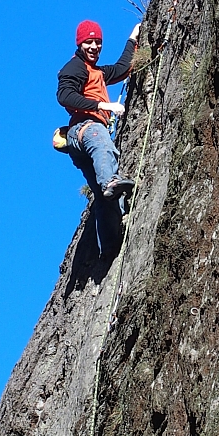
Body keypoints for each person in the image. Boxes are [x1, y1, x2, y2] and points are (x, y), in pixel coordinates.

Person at [57, 18, 141, 260]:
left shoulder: (98, 73)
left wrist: (132, 39)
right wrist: (102, 104)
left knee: (105, 203)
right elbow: (65, 95)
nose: (94, 46)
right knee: (101, 142)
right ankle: (110, 182)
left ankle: (109, 249)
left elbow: (123, 68)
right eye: (89, 42)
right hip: (85, 129)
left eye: (98, 42)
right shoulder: (75, 67)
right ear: (80, 43)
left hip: (82, 142)